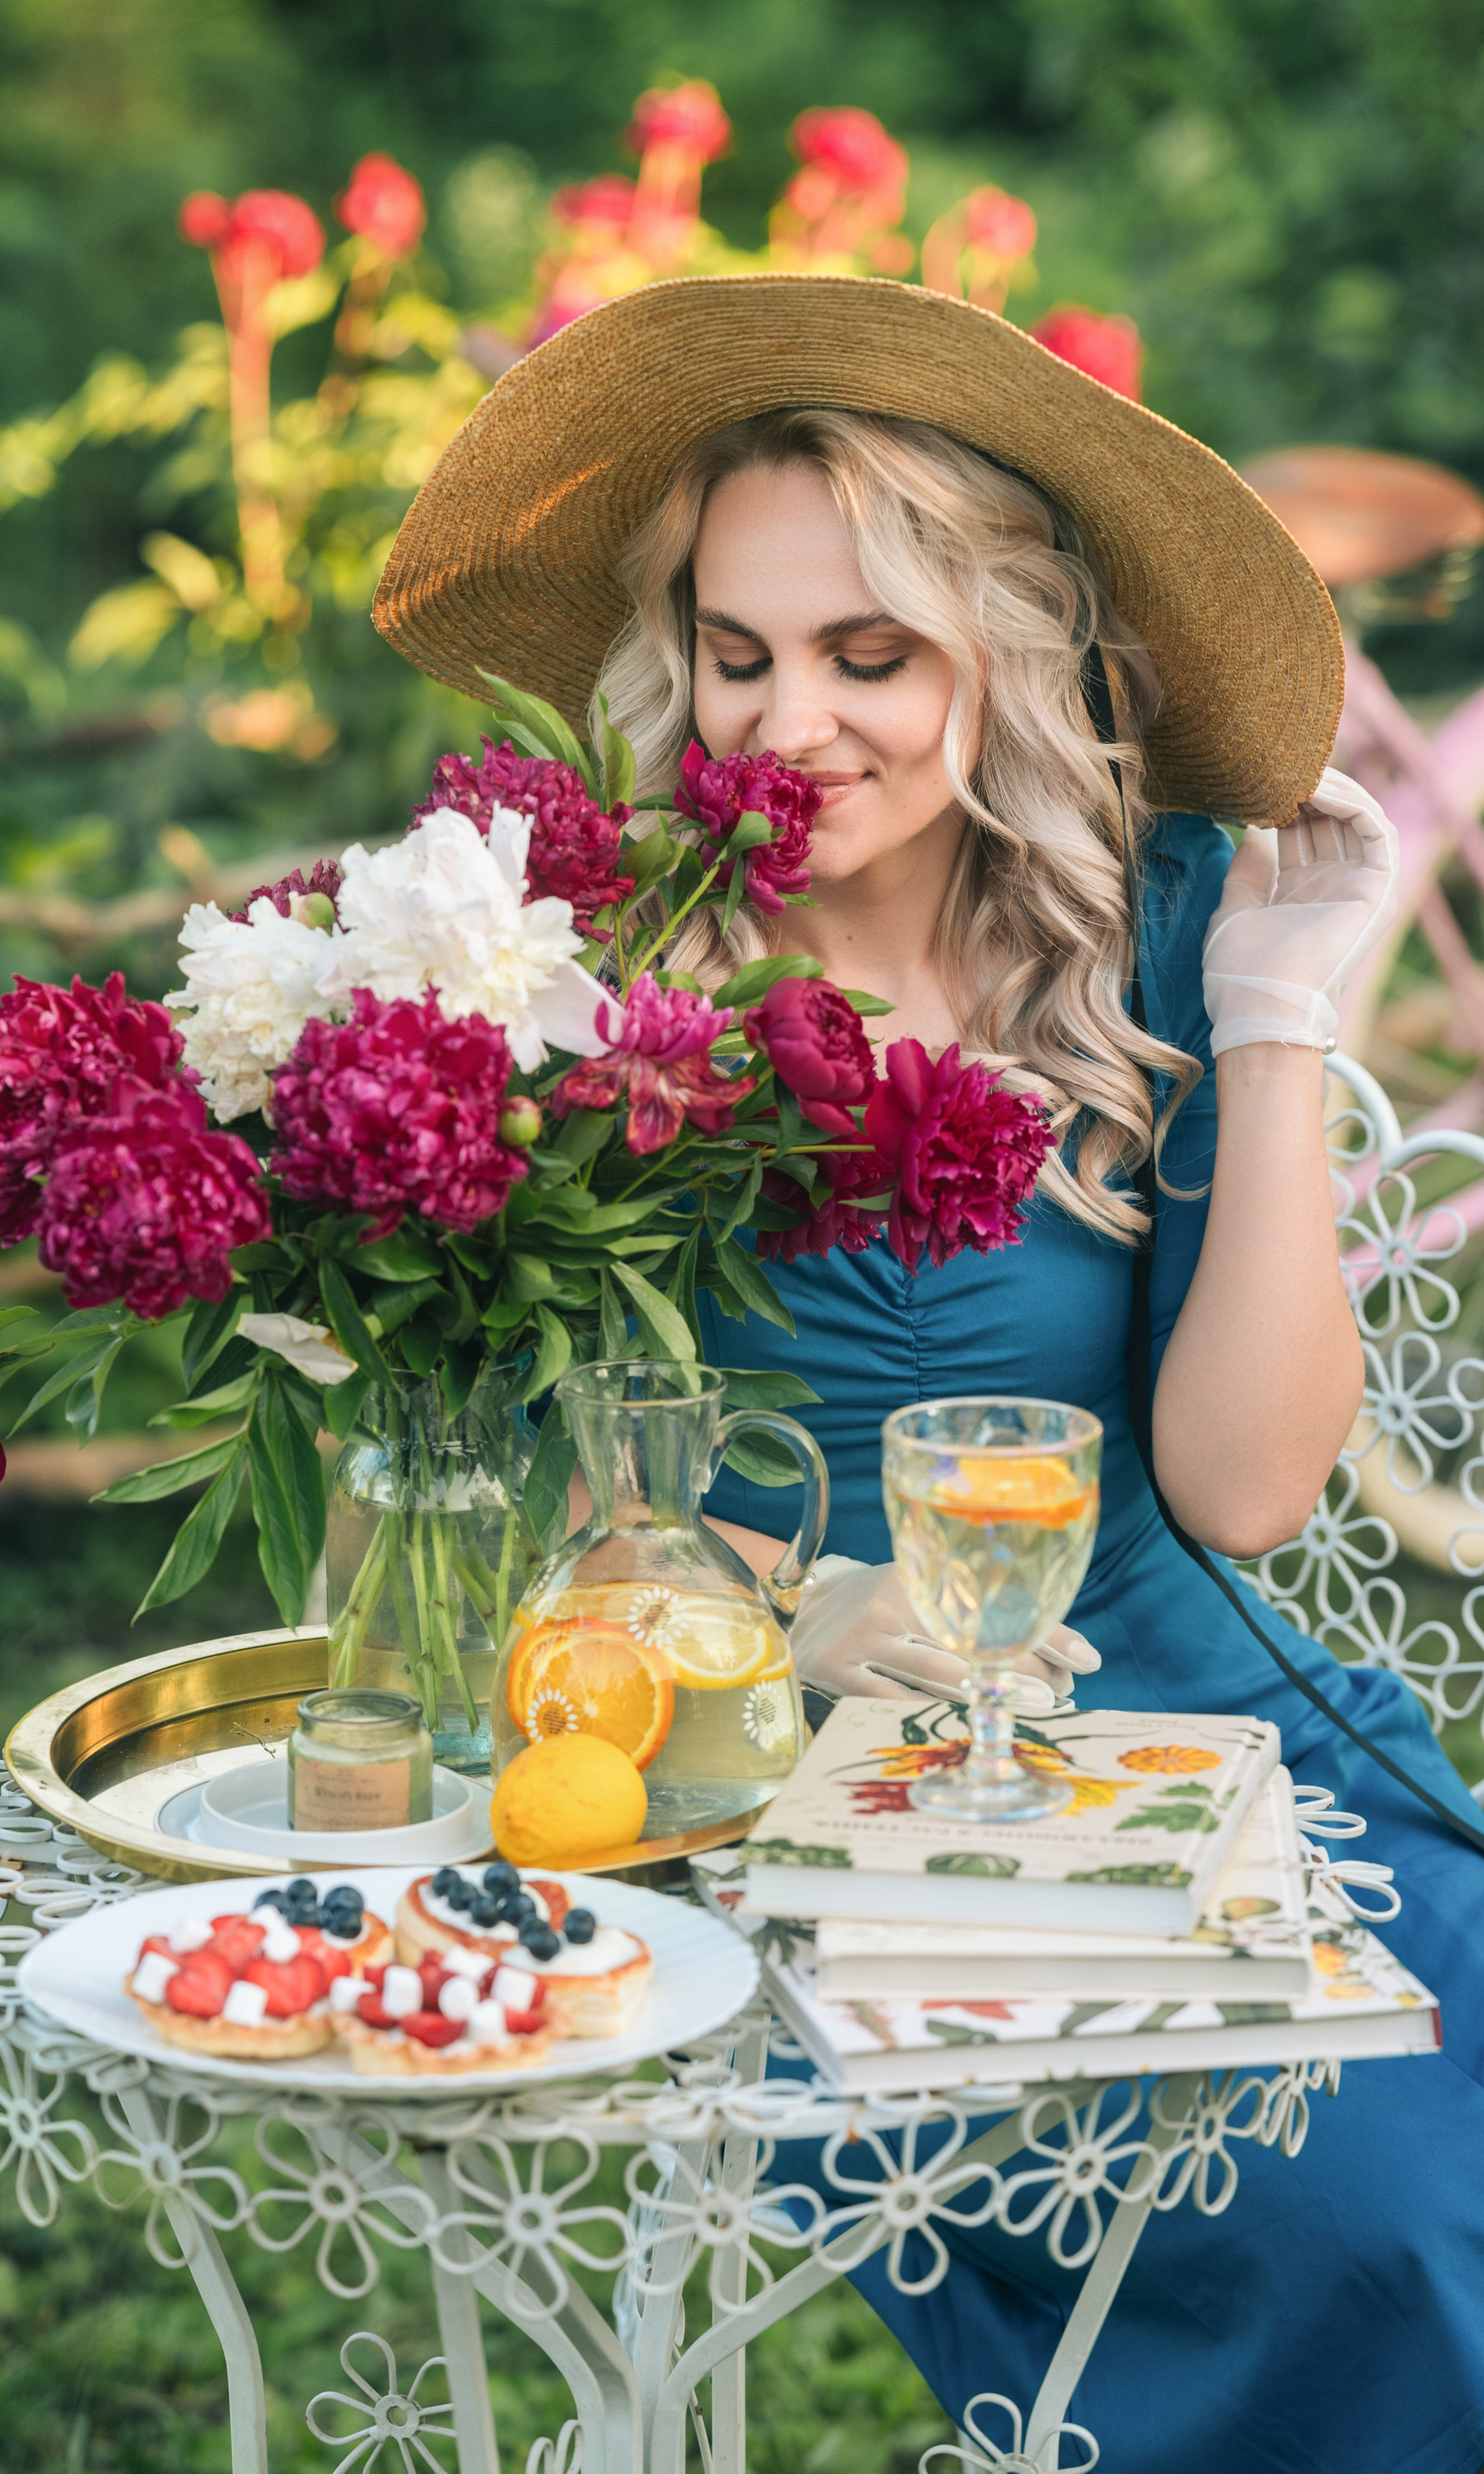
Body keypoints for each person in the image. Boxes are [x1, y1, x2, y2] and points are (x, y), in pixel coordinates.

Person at [375, 275, 1484, 2474]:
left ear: (1010, 655)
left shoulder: (1152, 928)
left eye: (870, 656)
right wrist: (793, 1622)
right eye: (737, 653)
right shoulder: (587, 992)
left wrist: (1274, 1017)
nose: (788, 724)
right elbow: (523, 1521)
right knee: (1391, 2230)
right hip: (793, 1783)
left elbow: (1247, 1491)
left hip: (1205, 1741)